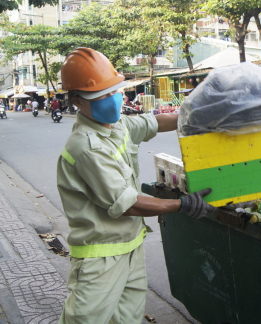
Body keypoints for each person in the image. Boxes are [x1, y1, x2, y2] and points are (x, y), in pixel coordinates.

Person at [56, 47, 216, 324]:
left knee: (128, 319)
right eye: (100, 96)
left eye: (113, 91)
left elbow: (155, 122)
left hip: (131, 247)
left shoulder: (116, 126)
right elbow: (128, 203)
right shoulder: (86, 146)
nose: (112, 100)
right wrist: (182, 204)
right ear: (78, 102)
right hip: (101, 257)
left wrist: (200, 117)